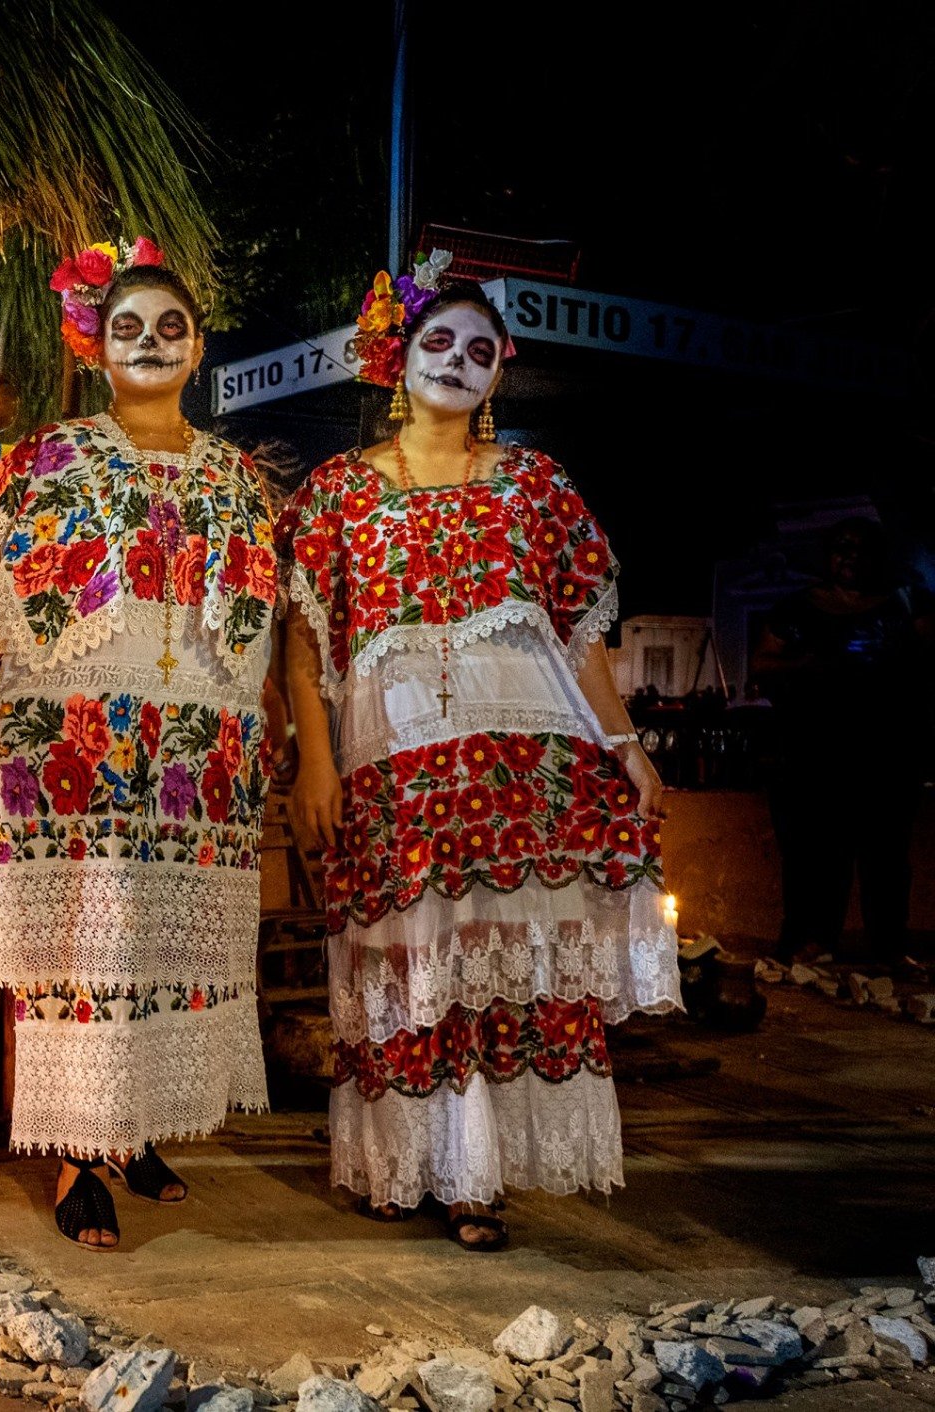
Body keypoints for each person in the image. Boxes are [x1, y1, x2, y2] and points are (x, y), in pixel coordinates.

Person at [277, 254, 681, 1250]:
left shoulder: (533, 485)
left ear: (499, 372)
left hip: (520, 773)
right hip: (393, 771)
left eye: (477, 350)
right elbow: (301, 643)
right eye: (435, 342)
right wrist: (314, 762)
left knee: (491, 960)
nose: (454, 361)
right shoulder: (335, 491)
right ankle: (400, 1163)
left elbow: (577, 634)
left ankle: (469, 1176)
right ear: (396, 359)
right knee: (407, 962)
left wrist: (623, 747)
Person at [0, 240, 283, 1251]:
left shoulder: (241, 480)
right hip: (77, 738)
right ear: (96, 344)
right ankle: (77, 1153)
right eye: (128, 326)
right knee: (92, 937)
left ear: (197, 346)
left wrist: (280, 724)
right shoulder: (42, 457)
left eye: (169, 326)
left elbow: (263, 627)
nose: (149, 341)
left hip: (199, 748)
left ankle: (137, 1131)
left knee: (172, 947)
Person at [752, 518, 933, 965]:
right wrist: (808, 665)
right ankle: (809, 945)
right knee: (815, 856)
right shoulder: (798, 608)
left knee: (886, 859)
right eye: (841, 547)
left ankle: (887, 949)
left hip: (886, 756)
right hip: (814, 757)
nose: (850, 556)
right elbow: (762, 664)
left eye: (860, 548)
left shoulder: (906, 604)